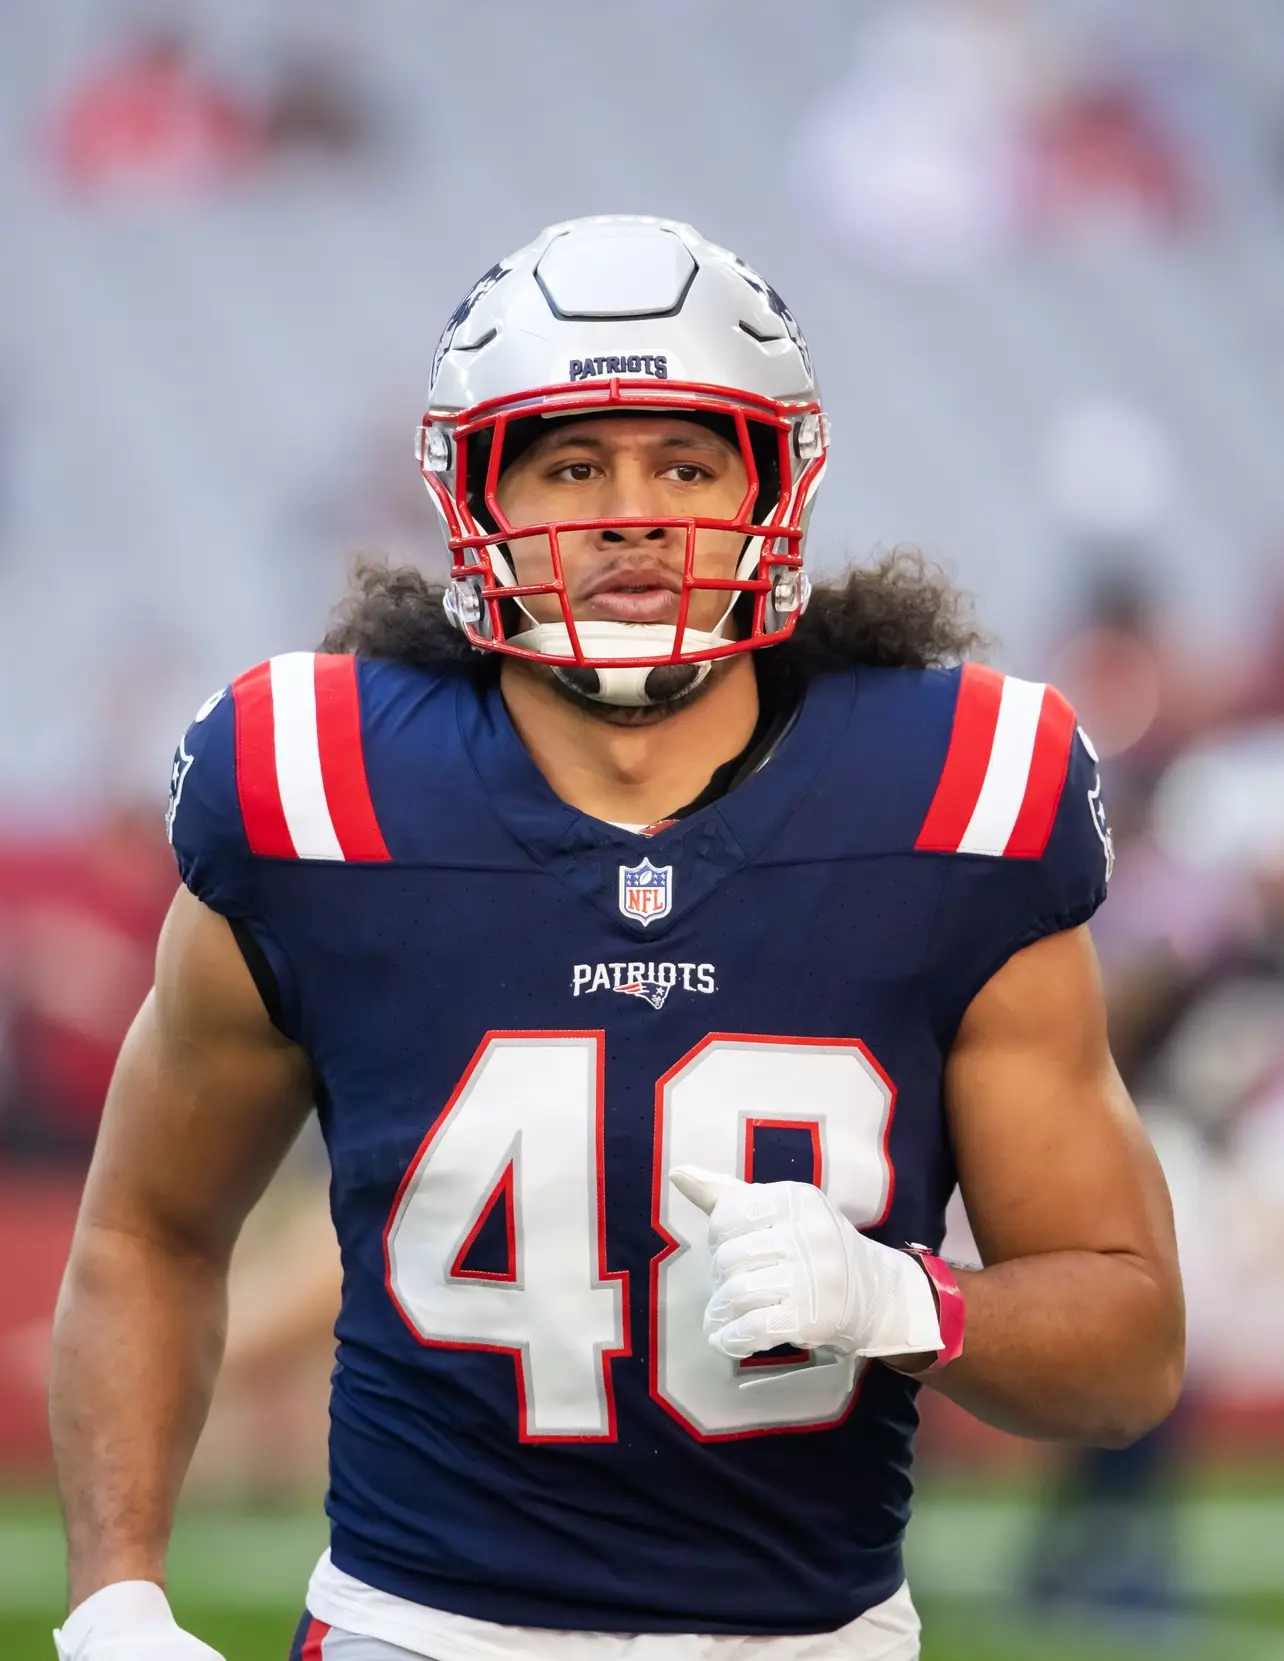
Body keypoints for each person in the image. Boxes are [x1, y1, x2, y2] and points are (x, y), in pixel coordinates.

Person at [48, 215, 1184, 1661]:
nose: (632, 512)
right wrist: (115, 1599)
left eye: (687, 461)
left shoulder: (953, 795)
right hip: (416, 1634)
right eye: (573, 464)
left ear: (776, 482)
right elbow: (151, 1227)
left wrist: (908, 1297)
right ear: (479, 500)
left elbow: (1128, 1350)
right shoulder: (316, 788)